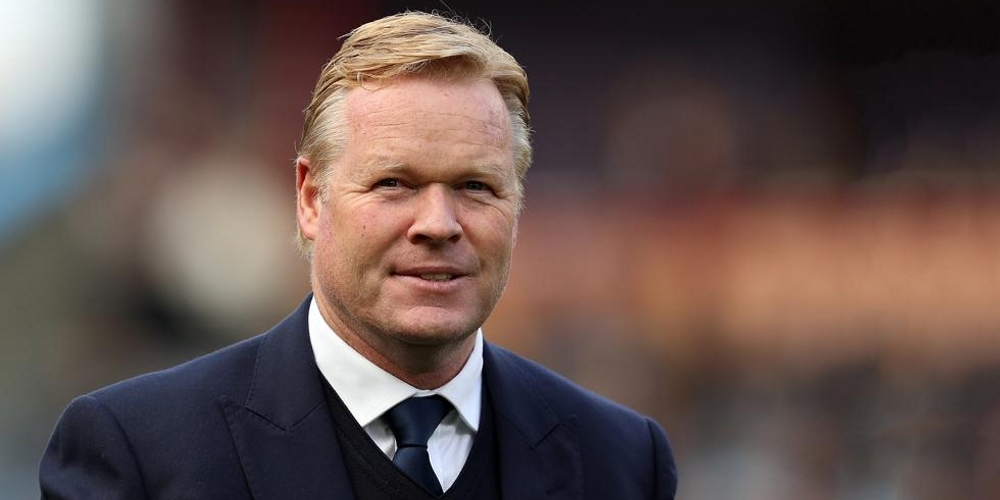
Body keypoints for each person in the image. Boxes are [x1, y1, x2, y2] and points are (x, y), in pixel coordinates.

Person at [39, 11, 677, 499]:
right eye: (394, 183)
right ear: (310, 199)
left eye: (475, 186)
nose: (438, 224)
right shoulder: (140, 454)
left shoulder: (622, 461)